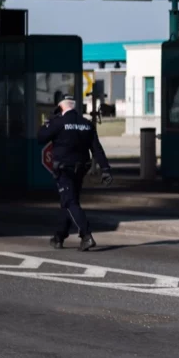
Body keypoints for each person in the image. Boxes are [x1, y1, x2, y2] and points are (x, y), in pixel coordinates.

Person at [37, 96, 113, 251]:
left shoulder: (58, 123)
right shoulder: (86, 124)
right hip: (81, 168)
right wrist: (105, 169)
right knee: (70, 201)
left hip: (65, 169)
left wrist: (48, 122)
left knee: (70, 202)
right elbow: (97, 149)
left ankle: (86, 235)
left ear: (60, 107)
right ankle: (59, 236)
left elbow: (41, 137)